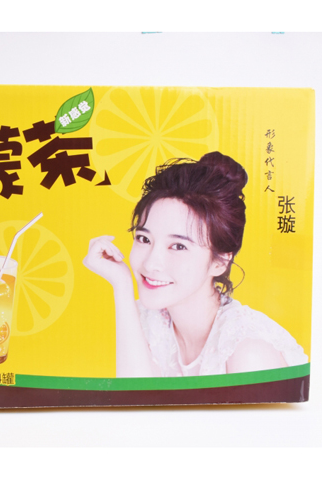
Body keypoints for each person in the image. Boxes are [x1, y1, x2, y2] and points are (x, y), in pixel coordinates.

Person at [84, 152, 308, 377]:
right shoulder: (151, 319)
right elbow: (135, 395)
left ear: (220, 262)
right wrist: (122, 286)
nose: (151, 263)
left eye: (178, 246)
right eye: (144, 239)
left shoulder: (249, 352)